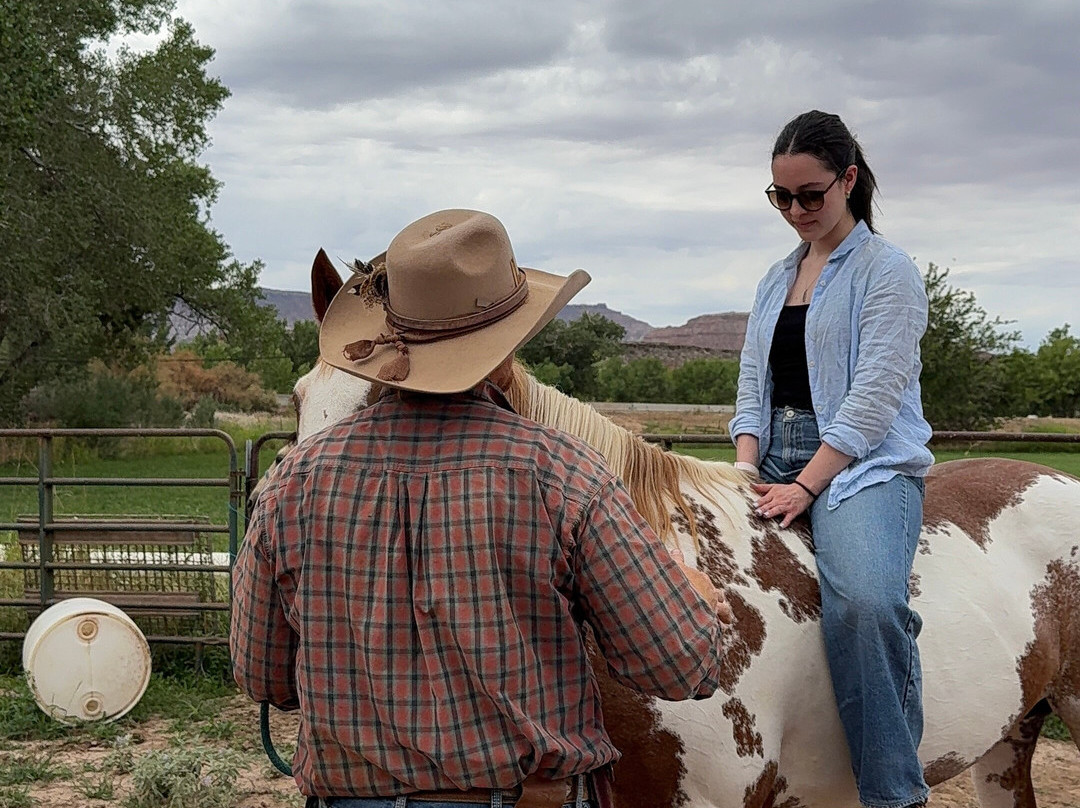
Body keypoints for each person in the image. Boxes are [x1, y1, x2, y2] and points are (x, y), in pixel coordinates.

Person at [231, 208, 732, 808]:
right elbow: (676, 667)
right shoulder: (565, 477)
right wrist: (694, 605)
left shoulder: (292, 484)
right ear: (504, 350)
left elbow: (263, 676)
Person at [728, 111, 934, 808]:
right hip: (772, 453)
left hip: (862, 464)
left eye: (809, 195)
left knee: (869, 606)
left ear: (848, 180)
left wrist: (806, 485)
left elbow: (874, 400)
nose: (794, 211)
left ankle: (894, 793)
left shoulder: (889, 271)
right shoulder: (774, 277)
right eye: (780, 197)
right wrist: (745, 465)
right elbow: (753, 382)